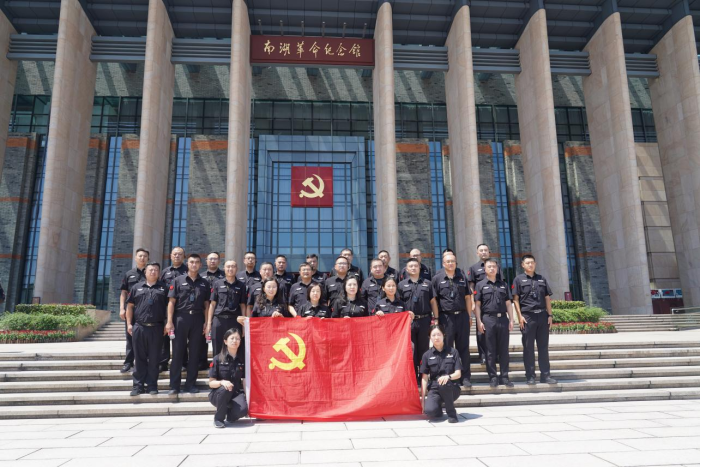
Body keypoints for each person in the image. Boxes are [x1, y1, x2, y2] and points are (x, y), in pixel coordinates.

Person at [166, 254, 211, 395]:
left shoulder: (204, 283)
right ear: (187, 264)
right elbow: (171, 302)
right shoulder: (178, 280)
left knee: (194, 353)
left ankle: (190, 384)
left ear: (200, 265)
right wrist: (169, 321)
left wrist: (207, 323)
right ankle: (174, 386)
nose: (194, 264)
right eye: (191, 262)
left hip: (197, 319)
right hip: (181, 318)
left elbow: (207, 305)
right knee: (177, 352)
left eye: (197, 262)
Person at [512, 254, 557, 385]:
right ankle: (530, 376)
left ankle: (545, 375)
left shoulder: (541, 279)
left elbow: (547, 298)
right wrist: (519, 316)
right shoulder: (518, 280)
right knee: (528, 348)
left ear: (535, 264)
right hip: (528, 317)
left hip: (542, 316)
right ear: (523, 265)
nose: (530, 265)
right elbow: (515, 300)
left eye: (532, 262)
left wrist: (550, 315)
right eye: (527, 263)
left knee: (543, 347)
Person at [125, 262, 168, 396]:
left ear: (159, 273)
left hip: (157, 328)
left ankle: (152, 386)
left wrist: (168, 323)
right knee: (139, 358)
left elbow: (169, 307)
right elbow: (130, 306)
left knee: (155, 359)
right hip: (139, 327)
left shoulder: (164, 288)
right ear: (145, 272)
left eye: (156, 270)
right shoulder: (136, 287)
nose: (153, 272)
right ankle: (137, 386)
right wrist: (129, 324)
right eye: (150, 270)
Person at [432, 252, 473, 388]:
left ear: (456, 263)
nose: (450, 264)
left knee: (464, 348)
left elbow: (467, 298)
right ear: (443, 264)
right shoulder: (437, 279)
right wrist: (436, 319)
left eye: (453, 261)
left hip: (462, 316)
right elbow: (434, 300)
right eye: (448, 261)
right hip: (445, 317)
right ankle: (449, 376)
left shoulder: (462, 277)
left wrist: (469, 316)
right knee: (447, 348)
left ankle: (465, 377)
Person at [474, 258, 514, 388]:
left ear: (497, 269)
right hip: (488, 319)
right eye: (489, 266)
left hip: (502, 319)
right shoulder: (480, 285)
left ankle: (504, 377)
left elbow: (508, 303)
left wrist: (511, 319)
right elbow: (477, 305)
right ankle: (493, 377)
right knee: (490, 350)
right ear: (485, 269)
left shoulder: (503, 284)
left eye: (494, 266)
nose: (492, 268)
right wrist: (479, 321)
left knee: (504, 350)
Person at [399, 258, 438, 380]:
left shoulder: (428, 283)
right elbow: (399, 304)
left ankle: (423, 376)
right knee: (411, 350)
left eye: (415, 266)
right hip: (408, 322)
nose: (413, 268)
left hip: (424, 320)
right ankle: (413, 377)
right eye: (410, 266)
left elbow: (433, 302)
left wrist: (436, 319)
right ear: (406, 269)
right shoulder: (401, 285)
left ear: (419, 267)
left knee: (424, 349)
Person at [467, 244, 503, 366]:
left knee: (496, 330)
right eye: (481, 250)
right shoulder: (473, 268)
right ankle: (483, 355)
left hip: (494, 303)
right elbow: (471, 286)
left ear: (489, 252)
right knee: (481, 330)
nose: (483, 252)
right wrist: (472, 302)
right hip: (480, 302)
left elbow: (501, 283)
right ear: (477, 253)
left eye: (485, 250)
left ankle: (496, 354)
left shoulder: (496, 266)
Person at [420, 324, 462, 423]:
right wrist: (423, 399)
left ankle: (451, 414)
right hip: (435, 388)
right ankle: (438, 410)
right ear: (430, 337)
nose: (436, 337)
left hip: (451, 387)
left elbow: (458, 373)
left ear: (444, 335)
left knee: (444, 383)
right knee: (429, 411)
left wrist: (448, 377)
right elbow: (424, 378)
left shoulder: (453, 352)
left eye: (439, 334)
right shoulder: (427, 355)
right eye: (433, 335)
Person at [208, 328, 248, 428]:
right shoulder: (218, 359)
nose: (235, 341)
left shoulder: (242, 360)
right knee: (225, 389)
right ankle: (218, 419)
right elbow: (211, 383)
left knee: (243, 410)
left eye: (237, 339)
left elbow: (244, 380)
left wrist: (247, 397)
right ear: (225, 341)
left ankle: (230, 415)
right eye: (232, 338)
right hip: (219, 393)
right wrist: (222, 382)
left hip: (235, 393)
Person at [119, 248, 150, 373]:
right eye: (140, 256)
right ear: (135, 258)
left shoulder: (151, 272)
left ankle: (145, 362)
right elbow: (123, 293)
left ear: (148, 258)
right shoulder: (129, 274)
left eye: (145, 256)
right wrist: (122, 308)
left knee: (146, 338)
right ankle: (128, 362)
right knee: (130, 337)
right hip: (131, 310)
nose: (142, 258)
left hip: (146, 311)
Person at [206, 260, 246, 358]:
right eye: (228, 267)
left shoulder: (241, 285)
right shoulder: (217, 283)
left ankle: (233, 366)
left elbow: (243, 305)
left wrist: (244, 325)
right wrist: (209, 323)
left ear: (237, 269)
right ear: (224, 268)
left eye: (233, 267)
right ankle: (217, 366)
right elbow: (212, 304)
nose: (230, 269)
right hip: (219, 320)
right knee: (217, 346)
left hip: (235, 320)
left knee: (235, 347)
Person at [159, 247, 188, 372]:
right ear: (170, 256)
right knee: (164, 336)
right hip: (167, 308)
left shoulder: (188, 270)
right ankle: (163, 362)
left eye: (180, 254)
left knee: (181, 337)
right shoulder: (165, 272)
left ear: (184, 256)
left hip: (182, 308)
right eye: (175, 254)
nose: (177, 256)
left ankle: (183, 362)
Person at [198, 252, 225, 370]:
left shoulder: (224, 276)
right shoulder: (201, 276)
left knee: (219, 339)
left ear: (219, 261)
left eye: (215, 259)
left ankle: (220, 362)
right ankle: (202, 361)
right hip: (202, 310)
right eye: (210, 259)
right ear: (206, 261)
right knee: (201, 337)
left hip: (219, 310)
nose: (213, 261)